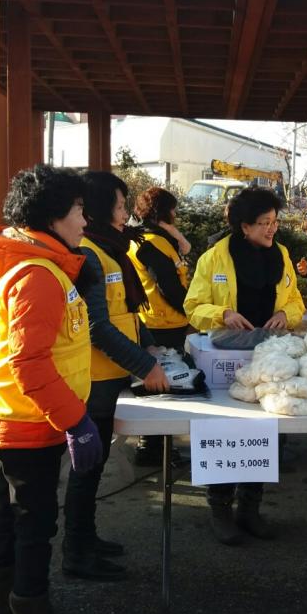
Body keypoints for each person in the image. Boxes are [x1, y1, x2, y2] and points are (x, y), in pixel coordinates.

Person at [0, 164, 98, 614]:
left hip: (4, 418)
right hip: (26, 424)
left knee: (8, 518)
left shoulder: (17, 262)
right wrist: (77, 421)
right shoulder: (37, 273)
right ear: (52, 215)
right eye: (80, 210)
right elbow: (31, 363)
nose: (85, 221)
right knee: (35, 526)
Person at [61, 171, 169, 583]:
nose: (126, 214)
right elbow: (96, 327)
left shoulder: (112, 251)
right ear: (102, 208)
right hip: (94, 379)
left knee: (95, 463)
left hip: (110, 377)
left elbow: (124, 313)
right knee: (86, 467)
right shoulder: (89, 254)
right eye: (121, 206)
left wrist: (150, 343)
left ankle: (86, 539)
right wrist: (146, 366)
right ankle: (76, 551)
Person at [184, 187, 306, 544]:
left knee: (269, 431)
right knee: (228, 430)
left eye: (275, 222)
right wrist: (222, 313)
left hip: (271, 360)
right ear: (243, 226)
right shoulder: (214, 258)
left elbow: (295, 299)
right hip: (227, 359)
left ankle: (250, 508)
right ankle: (220, 509)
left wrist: (286, 313)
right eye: (264, 223)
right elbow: (193, 305)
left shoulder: (281, 255)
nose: (272, 229)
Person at [127, 186, 192, 465]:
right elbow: (169, 287)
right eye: (173, 209)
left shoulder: (146, 238)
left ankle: (151, 446)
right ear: (163, 212)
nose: (176, 215)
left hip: (157, 320)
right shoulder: (151, 243)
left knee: (155, 384)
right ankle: (153, 448)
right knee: (165, 388)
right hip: (163, 323)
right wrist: (192, 312)